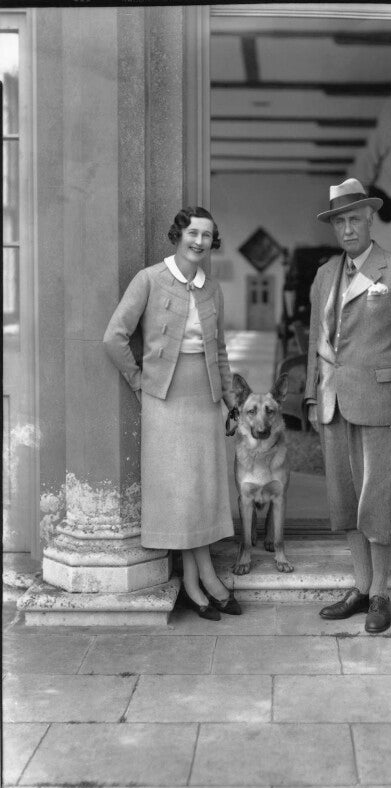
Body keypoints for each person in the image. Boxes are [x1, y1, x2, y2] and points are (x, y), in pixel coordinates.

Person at [103, 206, 241, 620]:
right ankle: (203, 581)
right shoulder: (149, 279)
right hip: (165, 397)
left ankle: (198, 581)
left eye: (207, 236)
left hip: (206, 396)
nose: (199, 242)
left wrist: (231, 398)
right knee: (181, 491)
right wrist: (139, 381)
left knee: (202, 489)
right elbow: (114, 337)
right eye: (193, 233)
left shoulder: (212, 289)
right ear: (178, 234)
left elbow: (219, 351)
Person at [304, 178, 391, 633]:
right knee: (346, 503)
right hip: (333, 404)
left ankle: (380, 593)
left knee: (378, 499)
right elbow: (317, 341)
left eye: (355, 218)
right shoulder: (324, 275)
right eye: (340, 220)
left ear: (371, 219)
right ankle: (359, 588)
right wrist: (311, 394)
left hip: (380, 403)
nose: (348, 228)